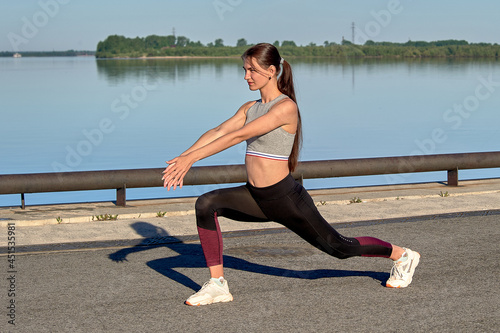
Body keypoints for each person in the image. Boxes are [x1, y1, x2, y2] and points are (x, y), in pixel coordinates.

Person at [162, 43, 420, 306]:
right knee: (206, 204)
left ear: (271, 71)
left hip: (285, 199)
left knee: (340, 248)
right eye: (244, 69)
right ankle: (217, 285)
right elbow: (218, 131)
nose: (246, 76)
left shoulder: (285, 108)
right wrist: (184, 157)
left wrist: (193, 159)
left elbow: (238, 135)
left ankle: (401, 255)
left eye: (252, 70)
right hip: (255, 197)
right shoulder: (249, 107)